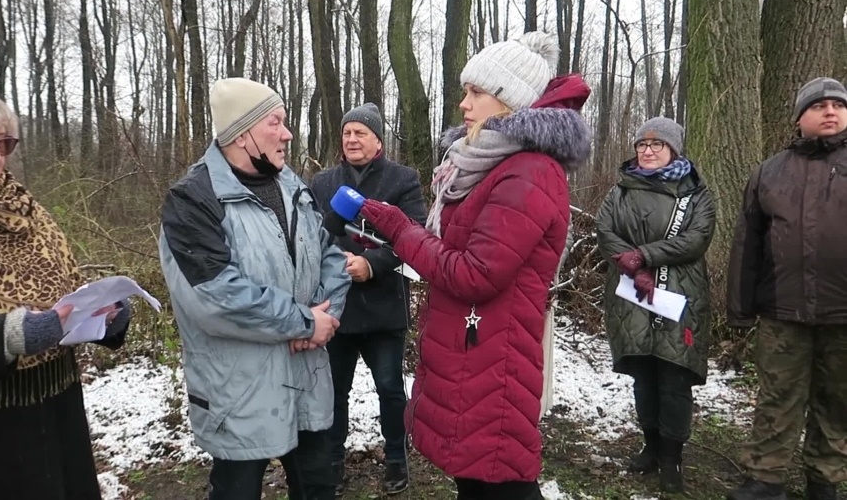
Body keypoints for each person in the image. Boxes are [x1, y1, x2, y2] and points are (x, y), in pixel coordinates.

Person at [353, 32, 591, 499]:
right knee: (477, 480)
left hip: (494, 359)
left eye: (476, 93)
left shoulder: (530, 172)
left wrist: (402, 230)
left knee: (499, 482)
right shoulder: (486, 165)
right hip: (472, 351)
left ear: (509, 101)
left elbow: (474, 273)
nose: (464, 104)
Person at [159, 77, 351, 500]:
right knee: (237, 492)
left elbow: (332, 257)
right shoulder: (193, 199)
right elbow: (214, 297)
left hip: (307, 379)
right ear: (242, 133)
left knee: (319, 487)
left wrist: (325, 318)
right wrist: (304, 323)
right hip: (241, 392)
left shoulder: (294, 186)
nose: (287, 133)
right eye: (276, 122)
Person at [0, 75, 130, 500]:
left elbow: (66, 289)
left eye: (3, 143)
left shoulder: (29, 213)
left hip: (58, 416)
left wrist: (107, 316)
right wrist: (12, 336)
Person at [726, 77, 847, 500]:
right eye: (819, 106)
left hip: (843, 313)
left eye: (837, 104)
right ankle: (766, 477)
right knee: (777, 397)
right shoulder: (770, 172)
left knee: (837, 401)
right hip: (782, 311)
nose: (830, 111)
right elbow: (747, 245)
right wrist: (739, 310)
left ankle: (825, 478)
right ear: (799, 118)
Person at [310, 102, 427, 496]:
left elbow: (415, 237)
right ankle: (332, 462)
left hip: (383, 308)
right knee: (333, 392)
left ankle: (397, 459)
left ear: (378, 141)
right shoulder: (322, 183)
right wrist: (332, 260)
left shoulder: (403, 180)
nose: (352, 139)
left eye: (361, 132)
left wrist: (372, 264)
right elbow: (309, 238)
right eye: (346, 133)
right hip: (336, 310)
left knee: (391, 389)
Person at [595, 117, 716, 493]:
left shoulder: (695, 194)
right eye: (642, 145)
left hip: (679, 294)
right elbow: (605, 231)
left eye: (657, 145)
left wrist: (642, 256)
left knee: (674, 373)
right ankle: (650, 445)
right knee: (643, 372)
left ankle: (672, 457)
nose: (647, 150)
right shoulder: (620, 191)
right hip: (631, 294)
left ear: (673, 150)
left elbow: (696, 240)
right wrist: (629, 264)